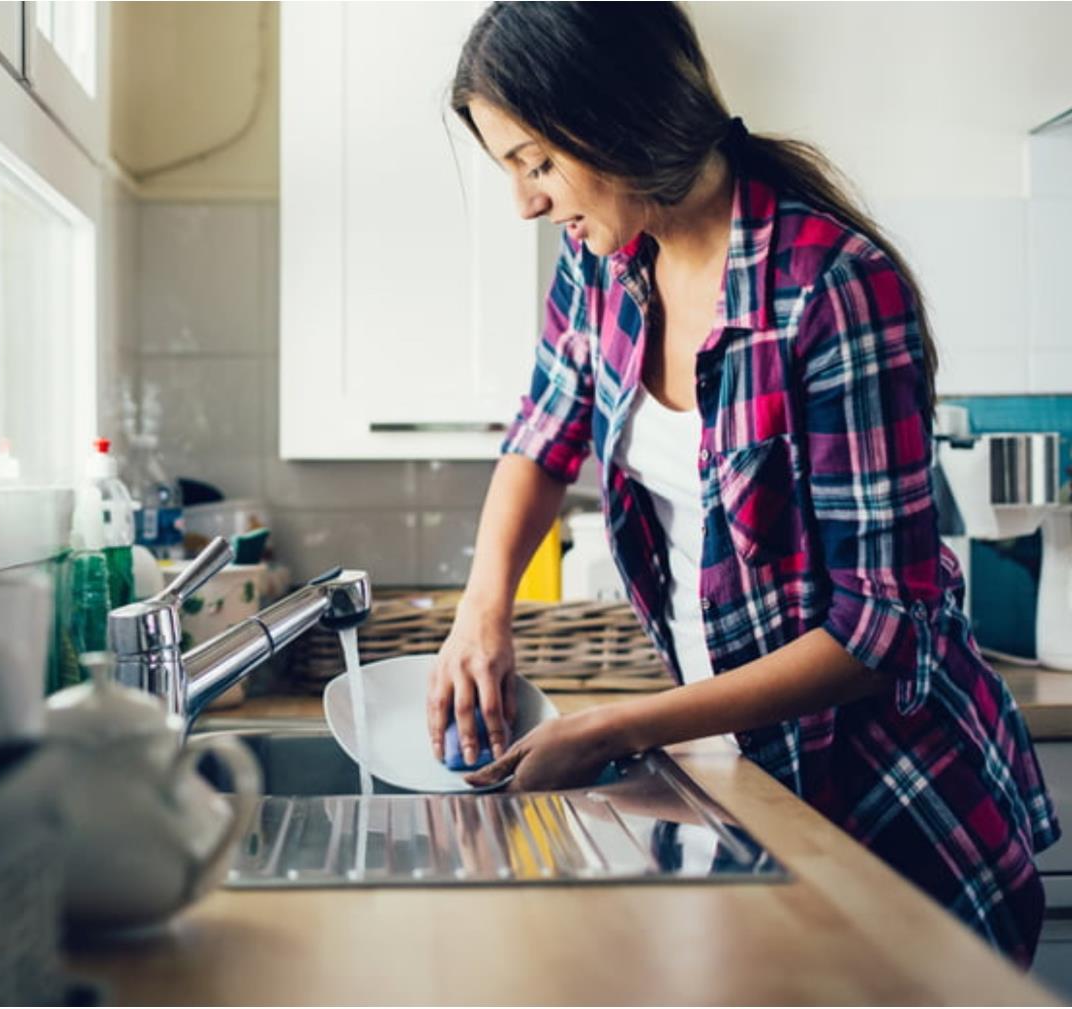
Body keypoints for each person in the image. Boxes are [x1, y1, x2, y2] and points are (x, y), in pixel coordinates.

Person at [425, 1, 1060, 966]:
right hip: (749, 782)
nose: (527, 204)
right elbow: (543, 436)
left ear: (620, 117)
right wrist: (483, 611)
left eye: (538, 163)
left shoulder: (833, 287)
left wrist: (622, 727)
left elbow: (879, 629)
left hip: (899, 813)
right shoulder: (603, 267)